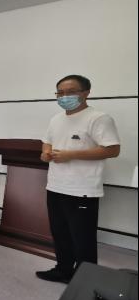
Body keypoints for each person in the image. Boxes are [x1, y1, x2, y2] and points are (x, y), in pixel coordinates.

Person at [36, 75, 121, 284]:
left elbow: (112, 149)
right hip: (55, 185)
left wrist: (71, 154)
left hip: (82, 189)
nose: (64, 96)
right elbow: (47, 142)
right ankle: (63, 270)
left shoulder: (99, 118)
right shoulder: (56, 119)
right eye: (60, 92)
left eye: (71, 92)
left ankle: (85, 281)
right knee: (60, 233)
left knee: (83, 238)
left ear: (86, 93)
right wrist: (45, 153)